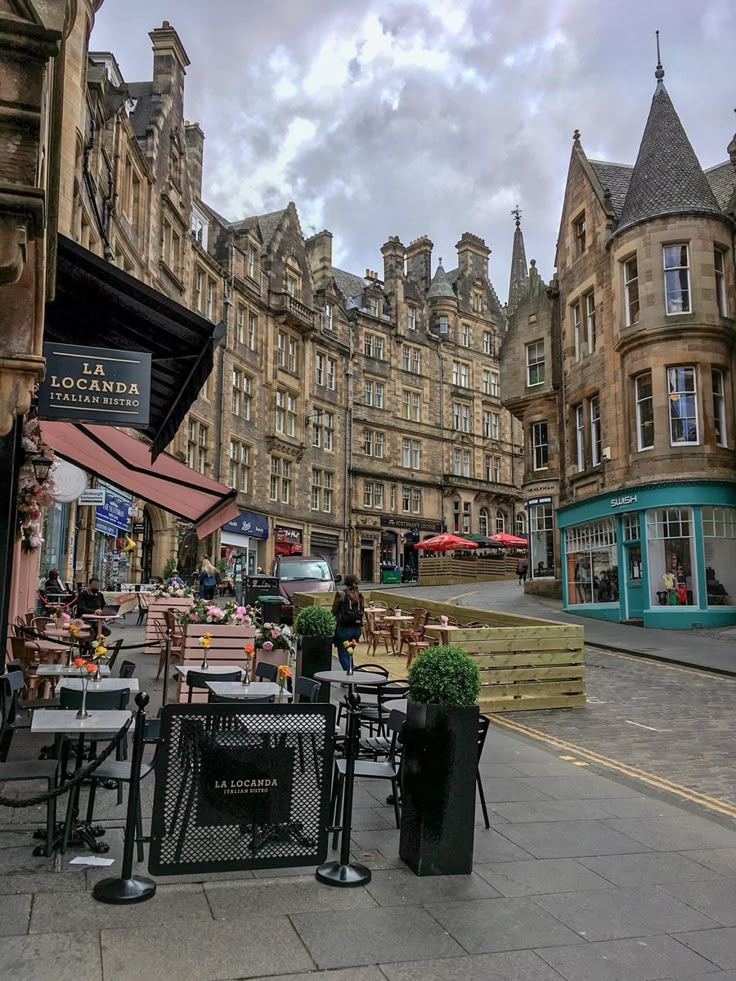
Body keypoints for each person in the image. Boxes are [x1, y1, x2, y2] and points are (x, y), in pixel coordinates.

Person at [332, 574, 364, 671]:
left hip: (344, 630)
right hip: (356, 631)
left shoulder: (341, 594)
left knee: (343, 655)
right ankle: (351, 675)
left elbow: (334, 610)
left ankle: (349, 679)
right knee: (350, 653)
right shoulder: (360, 595)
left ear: (346, 583)